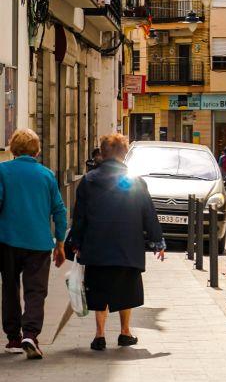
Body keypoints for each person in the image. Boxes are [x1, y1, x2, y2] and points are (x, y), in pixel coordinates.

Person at [69, 132, 165, 352]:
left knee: (99, 290)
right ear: (124, 154)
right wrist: (157, 241)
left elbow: (80, 215)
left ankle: (99, 335)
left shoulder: (89, 180)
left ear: (102, 153)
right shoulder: (135, 181)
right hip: (127, 247)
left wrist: (76, 240)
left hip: (96, 247)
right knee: (126, 291)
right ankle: (125, 332)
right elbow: (148, 213)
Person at [0, 128, 67, 359]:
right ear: (37, 151)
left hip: (7, 241)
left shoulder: (2, 170)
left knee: (9, 287)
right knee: (36, 291)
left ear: (13, 149)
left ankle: (13, 337)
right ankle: (31, 334)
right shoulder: (47, 175)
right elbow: (59, 210)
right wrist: (60, 242)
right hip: (39, 243)